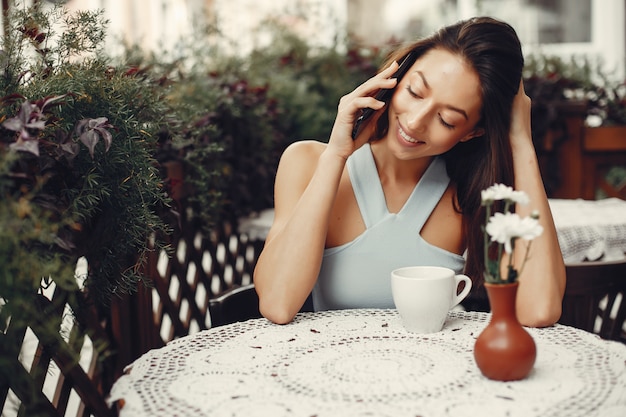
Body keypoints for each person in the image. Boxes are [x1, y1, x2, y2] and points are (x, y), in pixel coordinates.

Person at [253, 16, 566, 327]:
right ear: (395, 78)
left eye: (447, 120)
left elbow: (539, 310)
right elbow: (278, 304)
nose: (415, 121)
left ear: (472, 132)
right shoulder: (306, 162)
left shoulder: (472, 191)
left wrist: (521, 140)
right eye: (415, 92)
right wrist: (336, 156)